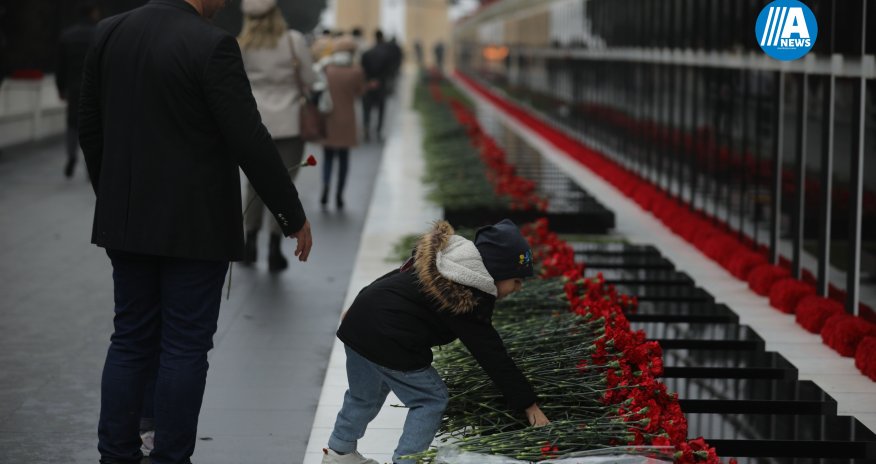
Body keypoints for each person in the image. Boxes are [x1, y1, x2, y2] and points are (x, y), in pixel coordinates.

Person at [78, 0, 313, 463]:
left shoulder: (108, 32)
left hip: (126, 222)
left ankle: (116, 454)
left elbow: (90, 126)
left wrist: (113, 199)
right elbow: (248, 137)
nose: (224, 2)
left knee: (129, 339)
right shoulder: (212, 45)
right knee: (184, 346)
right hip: (195, 227)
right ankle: (171, 456)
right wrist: (291, 213)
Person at [322, 220, 550, 464]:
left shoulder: (447, 260)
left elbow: (397, 276)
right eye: (516, 280)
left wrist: (358, 305)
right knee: (430, 398)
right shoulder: (469, 294)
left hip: (360, 322)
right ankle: (408, 460)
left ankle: (340, 453)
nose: (519, 287)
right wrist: (529, 405)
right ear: (498, 271)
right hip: (390, 335)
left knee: (364, 395)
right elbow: (492, 355)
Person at [238, 0, 317, 272]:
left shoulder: (242, 44)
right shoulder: (293, 40)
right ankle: (274, 246)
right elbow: (309, 76)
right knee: (284, 181)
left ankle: (249, 242)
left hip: (255, 121)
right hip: (290, 121)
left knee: (254, 183)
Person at [320, 36, 365, 210]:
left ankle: (325, 186)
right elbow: (359, 92)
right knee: (344, 159)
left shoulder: (327, 68)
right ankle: (339, 194)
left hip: (329, 117)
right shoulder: (356, 71)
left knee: (328, 157)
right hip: (347, 119)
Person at [56, 1, 99, 178]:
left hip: (74, 88)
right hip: (94, 88)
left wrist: (60, 88)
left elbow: (61, 66)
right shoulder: (99, 33)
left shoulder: (67, 36)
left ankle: (72, 156)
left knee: (72, 124)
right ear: (92, 13)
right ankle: (91, 165)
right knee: (94, 125)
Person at [360, 29, 393, 142]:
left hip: (368, 84)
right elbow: (389, 71)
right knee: (381, 109)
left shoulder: (366, 53)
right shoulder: (387, 54)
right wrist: (379, 80)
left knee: (366, 108)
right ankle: (378, 130)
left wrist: (369, 81)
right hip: (381, 85)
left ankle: (366, 128)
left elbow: (362, 70)